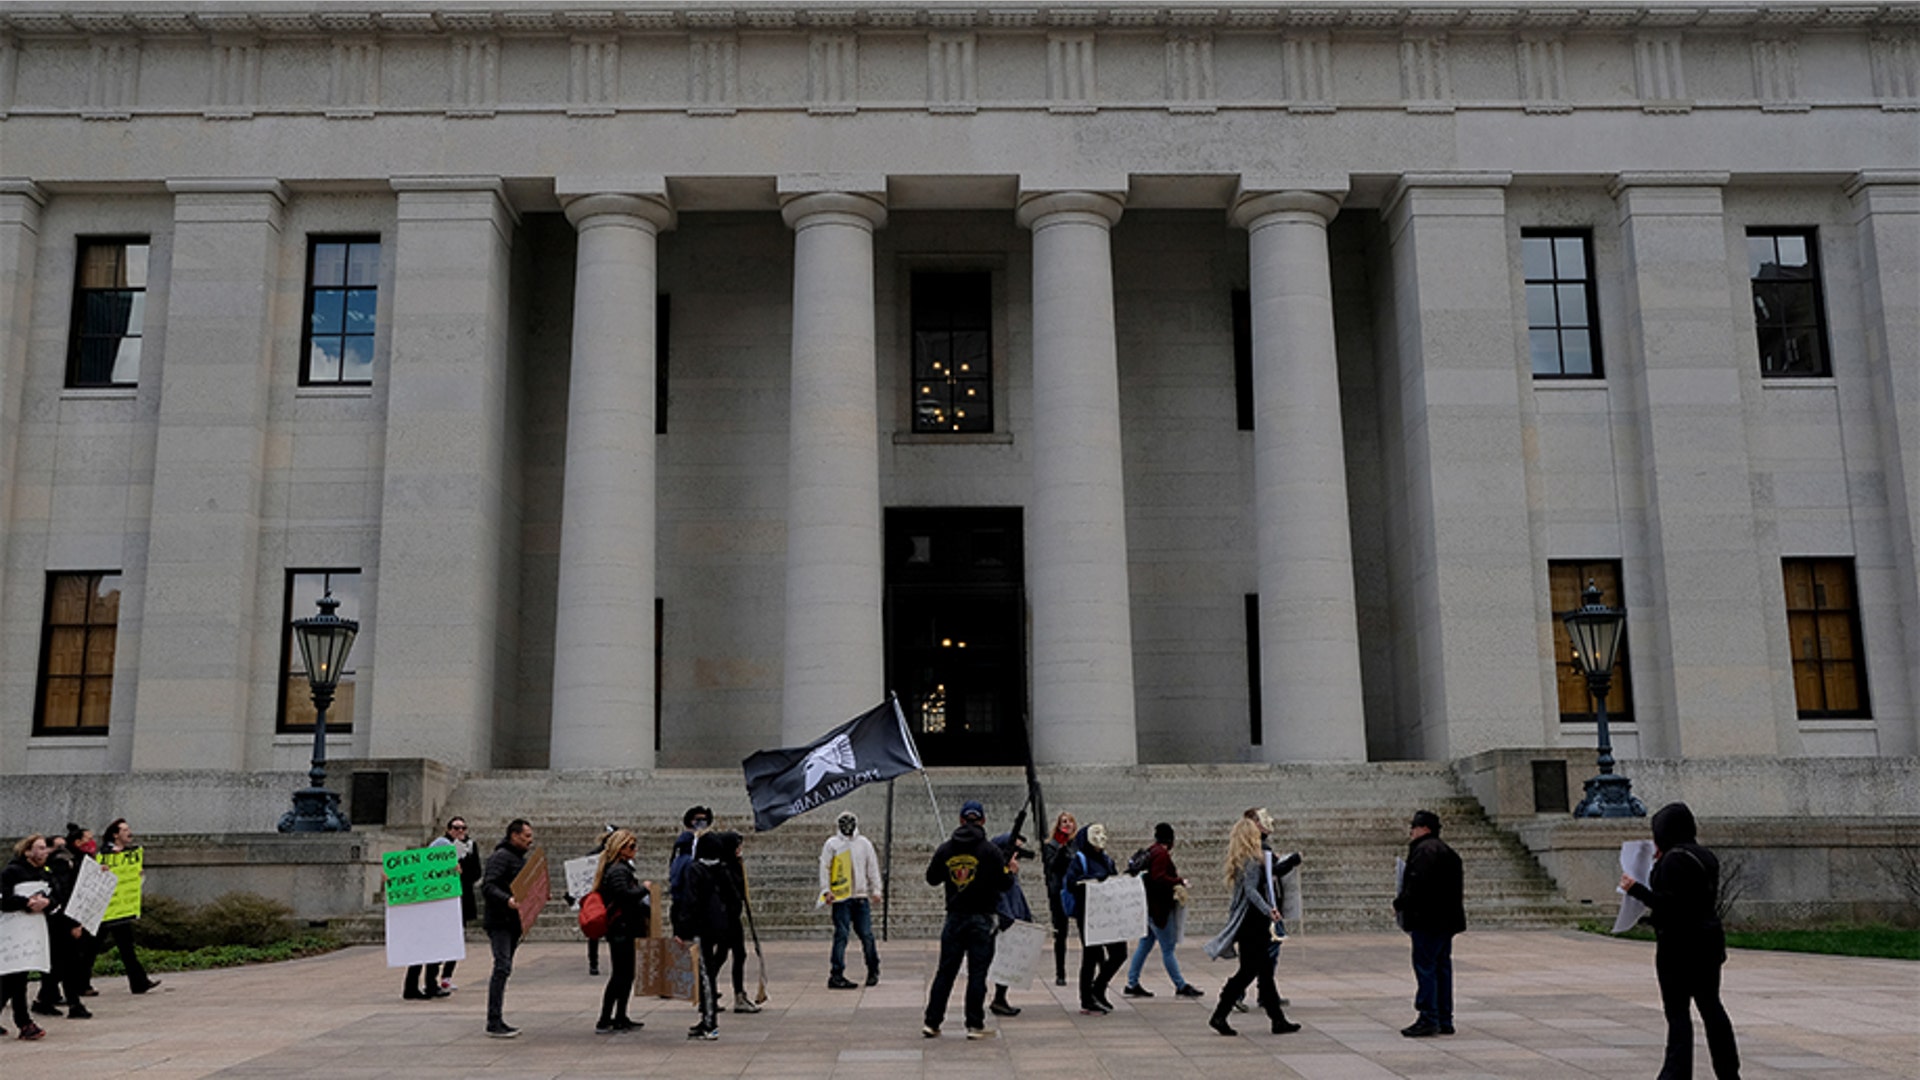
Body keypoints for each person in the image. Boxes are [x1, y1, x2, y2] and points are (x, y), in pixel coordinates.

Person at [1622, 802, 1742, 1080]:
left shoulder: (1673, 860)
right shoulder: (1705, 856)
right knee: (1711, 1008)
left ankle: (1676, 1073)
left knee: (1678, 1014)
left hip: (1678, 946)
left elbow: (1670, 905)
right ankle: (1728, 1071)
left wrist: (1636, 889)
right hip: (1708, 942)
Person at [1203, 817, 1300, 1036]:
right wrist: (1269, 910)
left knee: (1263, 972)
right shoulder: (1251, 861)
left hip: (1252, 922)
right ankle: (1220, 1014)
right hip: (1252, 923)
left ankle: (1277, 1020)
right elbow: (1251, 890)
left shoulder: (1245, 859)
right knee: (1249, 972)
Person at [922, 800, 1011, 1039]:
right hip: (982, 917)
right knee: (977, 974)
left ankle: (932, 1021)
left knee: (945, 972)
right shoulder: (990, 851)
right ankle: (974, 1024)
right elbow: (1004, 884)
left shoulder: (946, 848)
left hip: (955, 917)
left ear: (961, 820)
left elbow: (932, 878)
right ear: (982, 820)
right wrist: (1010, 870)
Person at [1392, 809, 1463, 1038]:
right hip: (1446, 920)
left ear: (1424, 828)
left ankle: (1428, 1017)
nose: (1411, 831)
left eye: (1414, 827)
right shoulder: (1447, 851)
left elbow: (1417, 885)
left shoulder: (1424, 851)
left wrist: (1400, 903)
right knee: (1442, 967)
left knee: (1426, 968)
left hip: (1427, 919)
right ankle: (1444, 1018)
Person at [1124, 822, 1203, 999]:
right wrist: (1179, 881)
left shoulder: (1152, 851)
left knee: (1145, 945)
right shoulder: (1161, 854)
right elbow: (1159, 878)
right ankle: (1180, 985)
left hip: (1150, 907)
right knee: (1168, 948)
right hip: (1159, 909)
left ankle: (1132, 983)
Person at [405, 816, 481, 1000]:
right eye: (456, 827)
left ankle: (431, 984)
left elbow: (475, 872)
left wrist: (461, 871)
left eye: (463, 828)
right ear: (448, 829)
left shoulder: (470, 847)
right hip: (435, 902)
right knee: (426, 945)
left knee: (439, 945)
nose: (460, 831)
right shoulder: (441, 845)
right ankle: (413, 986)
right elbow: (422, 869)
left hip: (454, 902)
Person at [1061, 822, 1126, 1015]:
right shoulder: (1079, 859)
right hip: (1089, 915)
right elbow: (1071, 883)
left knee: (1119, 953)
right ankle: (1087, 999)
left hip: (1108, 914)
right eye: (1096, 833)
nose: (1101, 837)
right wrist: (1091, 880)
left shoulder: (1106, 859)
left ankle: (1098, 988)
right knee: (1091, 956)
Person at [671, 829, 729, 1040]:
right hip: (718, 926)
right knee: (707, 972)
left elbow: (690, 901)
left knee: (705, 975)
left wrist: (681, 929)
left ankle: (710, 1022)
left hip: (701, 927)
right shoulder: (722, 869)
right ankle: (706, 1017)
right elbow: (733, 896)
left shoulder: (696, 870)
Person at [591, 828, 650, 1034]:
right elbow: (624, 895)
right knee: (620, 975)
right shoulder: (618, 870)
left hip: (625, 928)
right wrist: (644, 889)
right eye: (631, 846)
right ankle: (606, 1018)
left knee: (625, 975)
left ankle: (619, 1016)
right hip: (622, 929)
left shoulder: (620, 869)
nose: (635, 850)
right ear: (620, 848)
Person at [89, 818, 158, 995]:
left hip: (120, 910)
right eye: (125, 830)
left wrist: (137, 876)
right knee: (92, 947)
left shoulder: (129, 855)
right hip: (106, 909)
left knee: (125, 947)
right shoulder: (104, 854)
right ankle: (80, 982)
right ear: (115, 834)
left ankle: (139, 982)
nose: (129, 833)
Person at [481, 818, 535, 1038]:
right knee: (502, 967)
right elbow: (488, 886)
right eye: (527, 836)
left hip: (512, 922)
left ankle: (496, 1018)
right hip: (500, 921)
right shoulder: (501, 857)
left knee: (504, 967)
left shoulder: (517, 858)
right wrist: (507, 900)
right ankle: (493, 1021)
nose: (530, 840)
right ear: (514, 835)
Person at [31, 827, 93, 1020]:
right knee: (67, 963)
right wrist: (73, 922)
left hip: (58, 919)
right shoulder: (59, 865)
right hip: (59, 921)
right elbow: (64, 894)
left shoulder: (64, 864)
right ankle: (73, 1004)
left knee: (59, 965)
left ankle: (46, 1001)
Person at [817, 811, 882, 989]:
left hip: (860, 897)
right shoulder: (832, 844)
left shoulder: (864, 843)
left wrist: (876, 889)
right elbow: (825, 867)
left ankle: (873, 969)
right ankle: (836, 974)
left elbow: (872, 867)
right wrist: (826, 891)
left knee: (867, 935)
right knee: (841, 935)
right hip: (841, 898)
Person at [2, 835, 56, 1041]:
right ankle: (25, 1023)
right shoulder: (12, 872)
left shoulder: (45, 873)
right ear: (27, 851)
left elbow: (56, 895)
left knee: (14, 981)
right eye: (40, 848)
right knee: (14, 980)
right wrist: (26, 903)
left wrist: (47, 902)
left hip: (33, 934)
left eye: (45, 848)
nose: (45, 852)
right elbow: (3, 899)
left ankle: (24, 1023)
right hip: (13, 934)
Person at [988, 827, 1037, 1018]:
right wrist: (1007, 918)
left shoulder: (1009, 870)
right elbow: (1001, 896)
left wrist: (1025, 916)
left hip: (1012, 919)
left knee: (1006, 964)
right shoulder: (998, 871)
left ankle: (1000, 998)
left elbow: (1017, 896)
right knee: (995, 963)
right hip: (1003, 922)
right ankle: (994, 1000)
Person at [569, 824, 617, 977]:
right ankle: (598, 963)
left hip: (596, 896)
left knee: (595, 932)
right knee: (604, 931)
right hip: (603, 895)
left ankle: (594, 964)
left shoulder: (597, 855)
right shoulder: (606, 857)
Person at [1042, 811, 1077, 986]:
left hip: (1075, 890)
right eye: (1064, 821)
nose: (1067, 824)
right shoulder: (1051, 845)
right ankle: (1060, 973)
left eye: (1070, 821)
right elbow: (1051, 866)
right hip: (1059, 893)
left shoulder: (1078, 845)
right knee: (1060, 934)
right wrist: (1061, 850)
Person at [669, 806, 713, 895]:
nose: (702, 823)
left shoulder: (708, 842)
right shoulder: (685, 843)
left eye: (704, 820)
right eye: (698, 820)